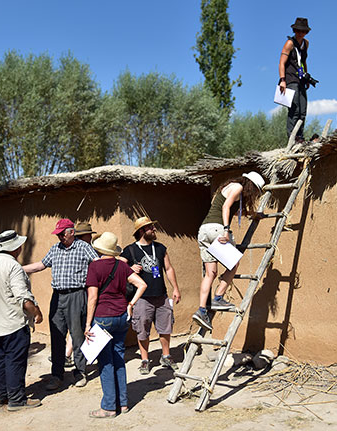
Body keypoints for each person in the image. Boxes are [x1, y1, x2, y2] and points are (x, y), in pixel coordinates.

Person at [23, 219, 98, 390]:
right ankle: (57, 375)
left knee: (78, 336)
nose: (60, 237)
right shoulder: (55, 249)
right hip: (58, 297)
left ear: (72, 232)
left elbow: (98, 265)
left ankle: (80, 372)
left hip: (77, 295)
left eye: (62, 233)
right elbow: (40, 265)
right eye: (58, 234)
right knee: (57, 335)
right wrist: (18, 268)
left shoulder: (84, 248)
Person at [84, 232, 147, 418]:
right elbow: (142, 284)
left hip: (103, 317)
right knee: (119, 357)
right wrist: (130, 304)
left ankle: (109, 407)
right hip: (121, 316)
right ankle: (124, 403)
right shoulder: (122, 265)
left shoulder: (94, 267)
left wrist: (87, 324)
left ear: (99, 249)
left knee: (105, 362)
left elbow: (93, 297)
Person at [192, 172, 266, 331]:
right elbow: (226, 207)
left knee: (210, 273)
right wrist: (226, 230)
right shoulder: (238, 187)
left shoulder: (229, 187)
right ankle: (218, 297)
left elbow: (235, 210)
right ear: (251, 185)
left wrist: (254, 214)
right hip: (218, 230)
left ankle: (201, 310)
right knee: (233, 264)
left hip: (204, 231)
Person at [0, 230, 43, 411]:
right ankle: (16, 399)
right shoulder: (13, 267)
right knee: (15, 360)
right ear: (15, 247)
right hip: (13, 323)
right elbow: (23, 298)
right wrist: (36, 313)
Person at [121, 216, 182, 375]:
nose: (154, 230)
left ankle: (166, 356)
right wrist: (129, 268)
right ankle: (145, 360)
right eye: (150, 228)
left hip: (161, 296)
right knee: (142, 330)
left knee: (165, 327)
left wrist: (175, 288)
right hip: (141, 298)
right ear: (142, 231)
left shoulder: (160, 248)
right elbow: (118, 267)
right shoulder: (130, 250)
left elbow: (168, 269)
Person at [278, 17, 311, 141]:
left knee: (303, 110)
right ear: (294, 30)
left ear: (306, 32)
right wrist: (282, 80)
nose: (300, 33)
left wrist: (306, 76)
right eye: (298, 30)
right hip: (290, 79)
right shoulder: (289, 43)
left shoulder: (306, 43)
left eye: (303, 31)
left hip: (301, 79)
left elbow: (303, 61)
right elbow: (281, 63)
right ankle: (292, 137)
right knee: (294, 109)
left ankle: (300, 137)